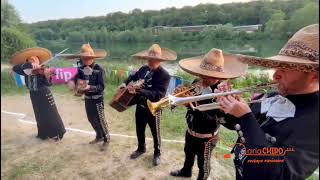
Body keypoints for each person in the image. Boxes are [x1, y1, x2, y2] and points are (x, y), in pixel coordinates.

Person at [216, 24, 319, 180]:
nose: (274, 76)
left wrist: (246, 118)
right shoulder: (272, 96)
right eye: (277, 67)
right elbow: (237, 125)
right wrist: (227, 105)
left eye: (285, 69)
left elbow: (279, 174)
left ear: (315, 75)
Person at [170, 48, 247, 180]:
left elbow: (213, 119)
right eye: (202, 74)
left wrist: (192, 107)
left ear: (219, 76)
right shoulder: (196, 83)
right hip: (191, 131)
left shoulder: (221, 94)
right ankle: (186, 171)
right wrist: (178, 98)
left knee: (203, 163)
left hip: (207, 137)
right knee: (188, 153)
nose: (203, 78)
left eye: (208, 76)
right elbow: (188, 101)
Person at [119, 44, 177, 166]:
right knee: (139, 129)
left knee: (156, 133)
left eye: (153, 59)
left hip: (154, 109)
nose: (150, 61)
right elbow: (131, 77)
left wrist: (139, 91)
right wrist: (125, 84)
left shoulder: (165, 75)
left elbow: (158, 95)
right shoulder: (143, 69)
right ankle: (141, 148)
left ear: (159, 60)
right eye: (149, 59)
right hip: (140, 105)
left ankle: (157, 152)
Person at [11, 47, 66, 140]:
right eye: (31, 60)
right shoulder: (25, 70)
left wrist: (47, 76)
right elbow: (15, 68)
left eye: (36, 59)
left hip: (43, 93)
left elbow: (49, 84)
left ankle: (58, 133)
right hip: (33, 94)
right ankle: (43, 133)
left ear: (39, 60)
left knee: (50, 114)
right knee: (39, 114)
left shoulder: (44, 69)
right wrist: (29, 65)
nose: (34, 61)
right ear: (27, 62)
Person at [66, 43, 109, 151]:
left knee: (101, 119)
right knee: (91, 119)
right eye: (84, 58)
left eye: (87, 58)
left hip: (98, 99)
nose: (85, 60)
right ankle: (99, 136)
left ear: (92, 58)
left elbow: (102, 87)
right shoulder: (81, 68)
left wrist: (90, 87)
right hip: (87, 99)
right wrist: (71, 82)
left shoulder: (99, 69)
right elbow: (75, 79)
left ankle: (106, 139)